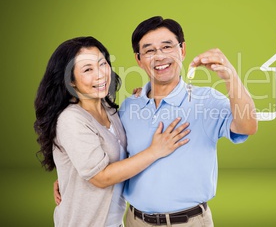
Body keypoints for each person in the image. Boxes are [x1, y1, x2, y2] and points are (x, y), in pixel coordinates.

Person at [34, 36, 190, 227]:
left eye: (102, 64)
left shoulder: (109, 109)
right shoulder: (71, 119)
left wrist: (146, 96)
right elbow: (101, 177)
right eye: (88, 70)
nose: (100, 75)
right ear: (71, 81)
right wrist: (155, 151)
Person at [119, 16, 258, 226]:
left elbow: (247, 126)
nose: (159, 56)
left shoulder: (207, 100)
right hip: (135, 220)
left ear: (182, 50)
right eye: (149, 50)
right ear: (139, 59)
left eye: (167, 46)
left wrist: (230, 77)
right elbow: (112, 158)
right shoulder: (129, 106)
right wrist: (70, 181)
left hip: (190, 222)